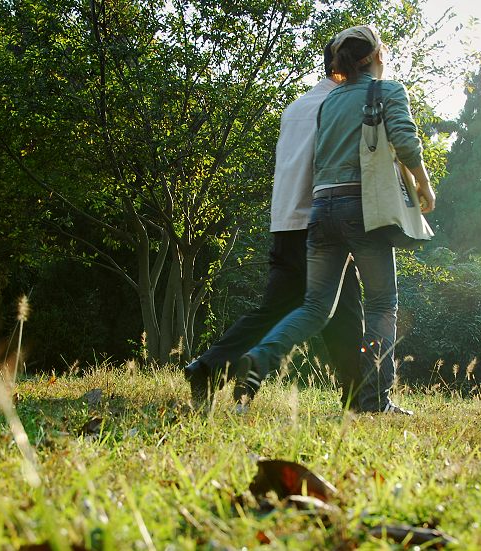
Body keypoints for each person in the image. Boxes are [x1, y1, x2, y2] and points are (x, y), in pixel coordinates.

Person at [232, 24, 435, 414]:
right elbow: (406, 142)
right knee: (382, 305)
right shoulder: (388, 91)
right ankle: (374, 401)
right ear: (377, 56)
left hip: (321, 210)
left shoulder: (330, 101)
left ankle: (259, 358)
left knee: (313, 308)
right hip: (363, 208)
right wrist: (425, 186)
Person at [184, 43, 367, 411]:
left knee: (276, 310)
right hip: (318, 221)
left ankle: (206, 367)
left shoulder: (297, 106)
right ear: (355, 66)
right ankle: (359, 399)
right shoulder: (341, 107)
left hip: (284, 221)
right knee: (345, 312)